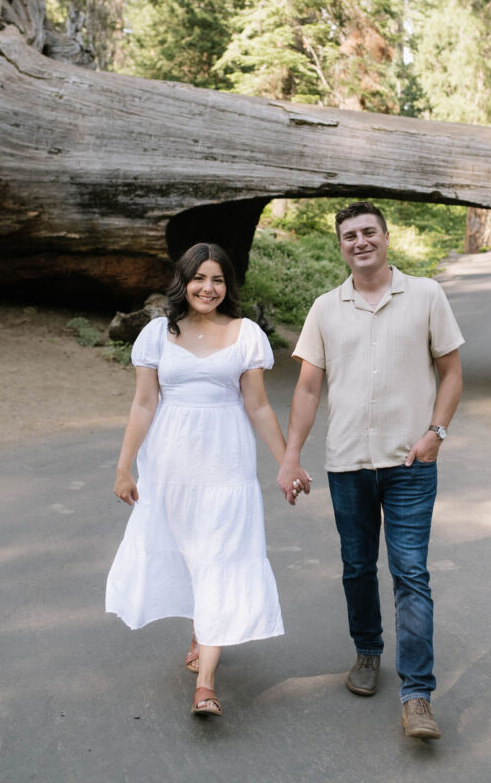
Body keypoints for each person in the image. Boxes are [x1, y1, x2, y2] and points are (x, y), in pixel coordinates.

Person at [278, 201, 464, 740]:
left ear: (386, 237)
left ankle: (417, 695)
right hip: (347, 465)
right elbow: (309, 387)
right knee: (357, 567)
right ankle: (366, 651)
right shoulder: (324, 308)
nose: (359, 242)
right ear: (340, 246)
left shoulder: (426, 294)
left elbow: (451, 372)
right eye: (349, 236)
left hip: (410, 463)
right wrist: (292, 454)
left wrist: (436, 433)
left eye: (368, 233)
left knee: (411, 574)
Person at [106, 242, 310, 717]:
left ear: (228, 286)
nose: (208, 288)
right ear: (184, 281)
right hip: (168, 467)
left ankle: (207, 683)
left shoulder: (245, 334)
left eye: (218, 280)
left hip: (226, 467)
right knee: (185, 552)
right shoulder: (157, 334)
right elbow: (143, 404)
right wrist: (124, 466)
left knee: (221, 557)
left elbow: (257, 406)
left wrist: (287, 462)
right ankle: (203, 625)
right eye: (200, 278)